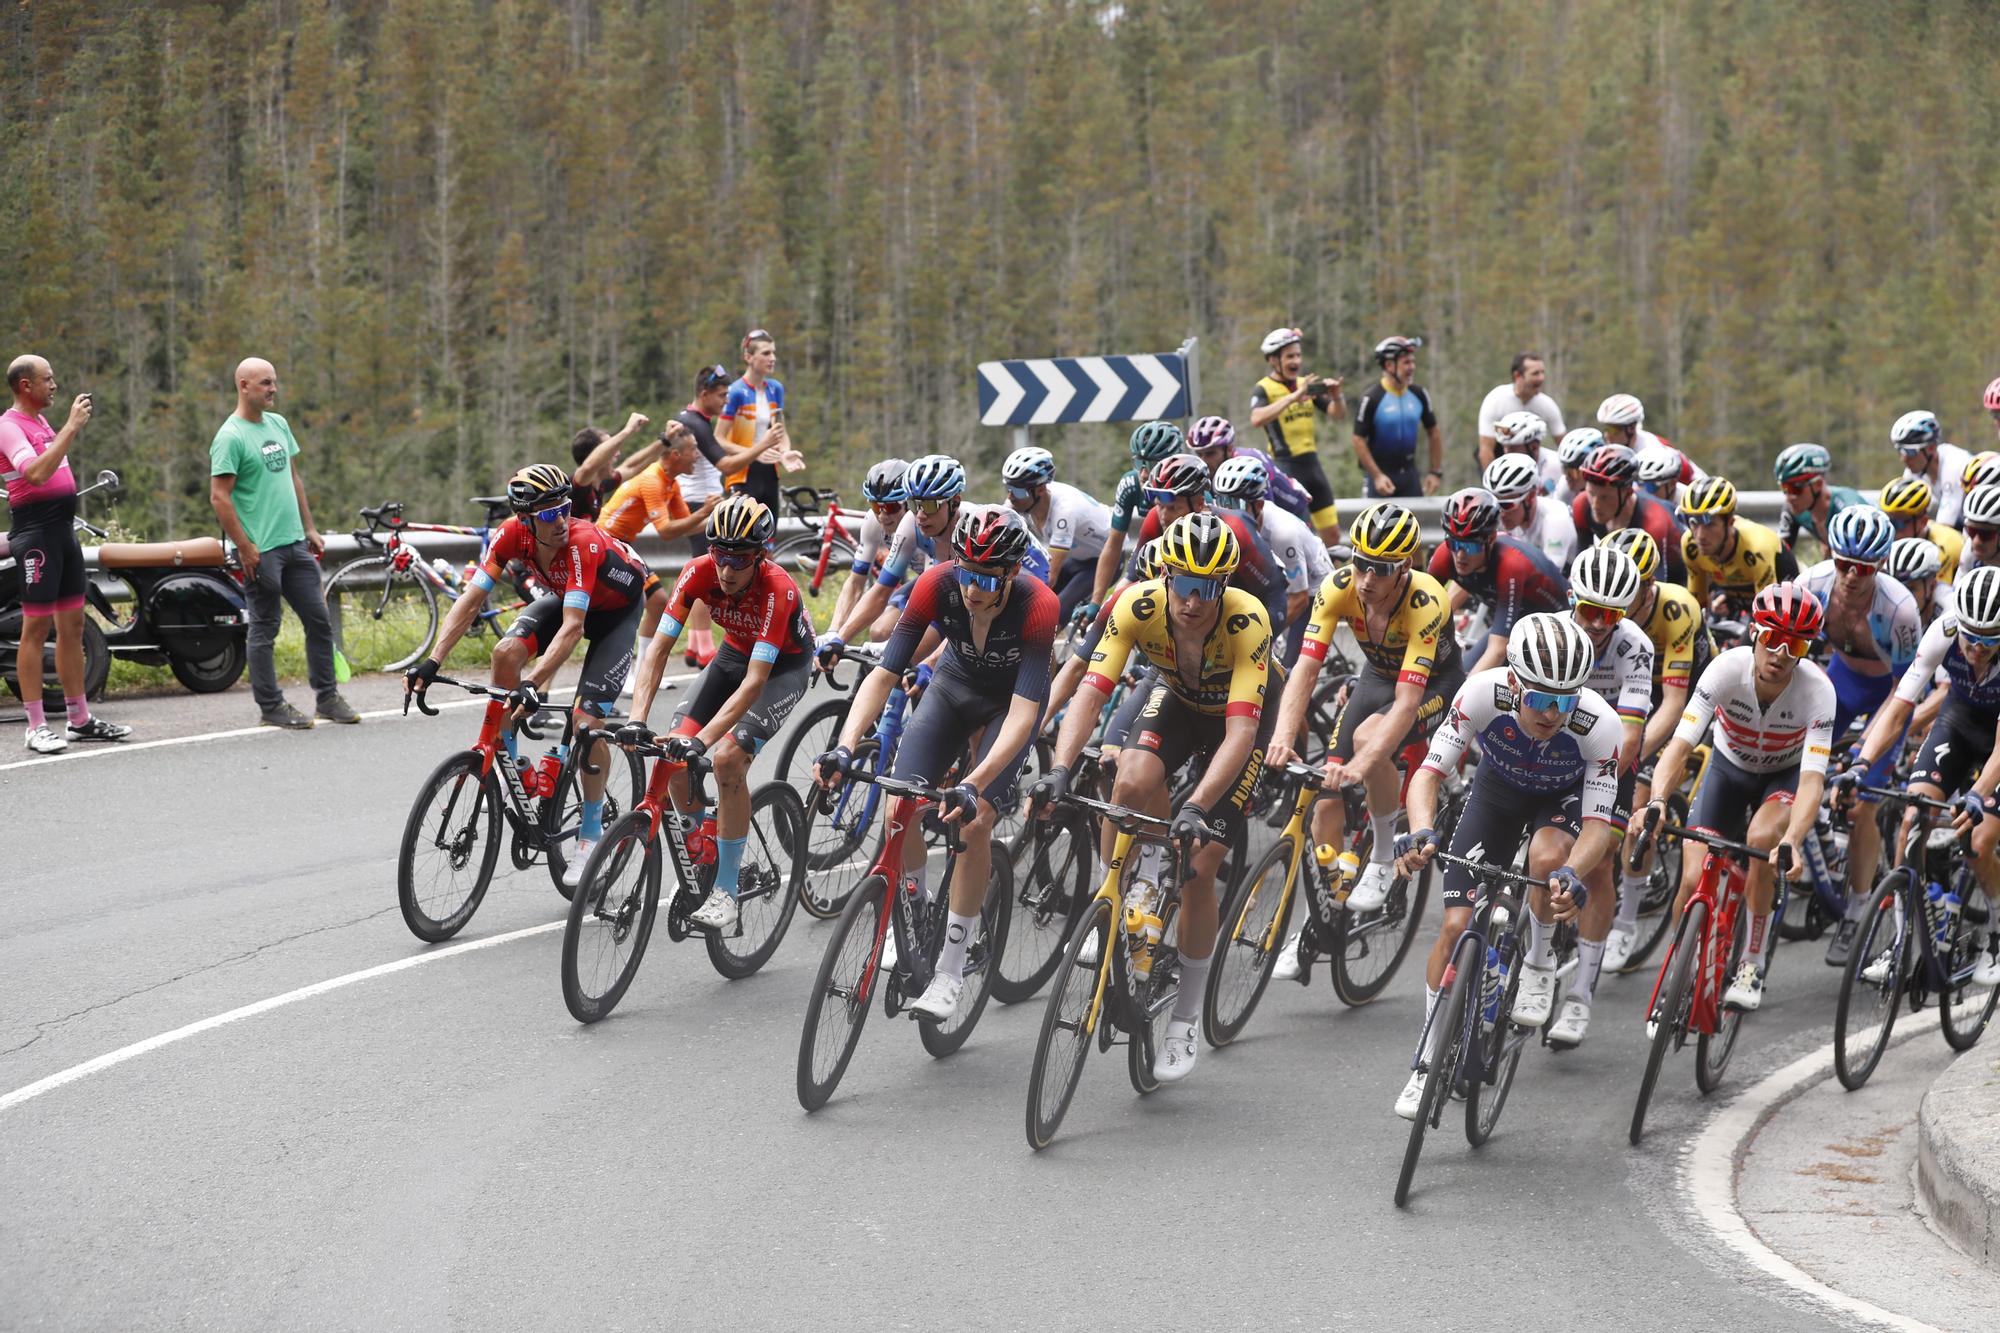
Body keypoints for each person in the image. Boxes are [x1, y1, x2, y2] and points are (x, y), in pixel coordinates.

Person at [1035, 512, 1277, 1085]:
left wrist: (1196, 807)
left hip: (1237, 725)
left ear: (1224, 587)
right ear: (1164, 574)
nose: (1193, 601)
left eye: (1207, 588)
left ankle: (1186, 1017)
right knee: (1128, 782)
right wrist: (1062, 768)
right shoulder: (1136, 605)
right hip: (1177, 701)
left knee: (1199, 865)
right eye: (1183, 584)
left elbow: (1241, 735)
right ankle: (1131, 888)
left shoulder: (1247, 621)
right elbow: (1091, 695)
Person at [815, 507, 1058, 1017]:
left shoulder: (1039, 605)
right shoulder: (936, 583)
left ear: (1012, 572)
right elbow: (884, 674)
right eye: (965, 572)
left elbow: (1023, 714)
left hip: (1009, 706)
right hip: (953, 688)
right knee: (897, 809)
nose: (971, 588)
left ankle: (950, 969)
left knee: (975, 822)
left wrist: (974, 783)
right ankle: (920, 911)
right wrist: (844, 743)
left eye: (986, 578)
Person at [1391, 614, 1622, 1117]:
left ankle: (1539, 965)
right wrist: (1423, 828)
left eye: (1564, 701)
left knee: (1547, 859)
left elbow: (1599, 827)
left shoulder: (1600, 724)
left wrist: (1572, 873)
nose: (1552, 714)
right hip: (1498, 792)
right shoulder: (1480, 694)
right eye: (1540, 699)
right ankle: (1426, 1063)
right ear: (1514, 681)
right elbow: (1429, 775)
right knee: (1453, 927)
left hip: (1562, 799)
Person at [408, 463, 651, 882]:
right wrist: (432, 661)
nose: (559, 521)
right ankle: (511, 762)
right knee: (505, 653)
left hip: (614, 616)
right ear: (524, 519)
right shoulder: (509, 536)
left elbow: (574, 628)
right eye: (546, 515)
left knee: (585, 723)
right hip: (570, 601)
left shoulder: (581, 543)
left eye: (564, 509)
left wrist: (533, 685)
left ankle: (591, 836)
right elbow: (470, 601)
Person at [1263, 504, 1462, 980]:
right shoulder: (1337, 588)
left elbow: (1409, 702)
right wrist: (1283, 738)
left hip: (1433, 684)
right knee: (1324, 806)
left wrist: (1364, 762)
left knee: (1368, 740)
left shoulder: (1427, 601)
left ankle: (1380, 853)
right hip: (1376, 675)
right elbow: (1306, 670)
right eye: (1360, 563)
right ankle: (1325, 915)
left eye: (1381, 569)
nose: (1366, 578)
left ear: (1405, 568)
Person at [1638, 583, 1836, 1013]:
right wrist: (1656, 801)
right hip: (1728, 770)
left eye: (1796, 643)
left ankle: (1751, 960)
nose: (1781, 653)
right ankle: (1679, 964)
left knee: (1763, 839)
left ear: (1807, 649)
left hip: (1781, 777)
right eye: (1771, 637)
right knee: (1691, 879)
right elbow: (1681, 744)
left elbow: (1812, 782)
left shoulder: (1818, 692)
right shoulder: (1725, 670)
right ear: (1754, 633)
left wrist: (1794, 839)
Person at [622, 494, 816, 927]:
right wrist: (637, 717)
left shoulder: (777, 590)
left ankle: (727, 889)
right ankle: (702, 854)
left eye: (739, 559)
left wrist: (704, 741)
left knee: (727, 760)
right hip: (732, 655)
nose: (727, 570)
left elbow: (755, 683)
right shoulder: (697, 572)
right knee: (672, 754)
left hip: (782, 668)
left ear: (761, 556)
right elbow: (658, 648)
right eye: (721, 556)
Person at [1801, 506, 1922, 965]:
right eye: (1844, 563)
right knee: (1792, 761)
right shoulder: (1813, 585)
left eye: (1864, 568)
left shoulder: (1900, 609)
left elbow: (1904, 691)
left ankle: (1857, 907)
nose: (1852, 576)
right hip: (1840, 681)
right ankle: (1818, 845)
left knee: (1863, 801)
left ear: (1881, 565)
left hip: (1888, 695)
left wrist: (1864, 750)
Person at [208, 357, 357, 730]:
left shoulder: (278, 424)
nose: (273, 389)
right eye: (265, 383)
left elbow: (293, 477)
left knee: (320, 621)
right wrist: (244, 546)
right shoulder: (230, 436)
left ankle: (327, 698)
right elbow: (219, 498)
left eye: (274, 382)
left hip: (294, 544)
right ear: (244, 386)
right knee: (264, 628)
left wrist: (309, 527)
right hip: (262, 550)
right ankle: (271, 705)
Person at [1870, 562, 2000, 987]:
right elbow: (1901, 706)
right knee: (1912, 818)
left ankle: (1998, 930)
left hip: (1997, 740)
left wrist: (1978, 794)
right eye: (1969, 637)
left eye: (1987, 641)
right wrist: (1861, 761)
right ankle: (1900, 942)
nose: (1975, 649)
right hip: (1960, 721)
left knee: (1977, 841)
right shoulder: (1946, 629)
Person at [1545, 547, 1654, 1046]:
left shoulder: (1635, 646)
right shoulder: (1549, 630)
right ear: (1572, 601)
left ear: (1623, 614)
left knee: (1604, 854)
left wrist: (1596, 783)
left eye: (1607, 615)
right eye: (1587, 609)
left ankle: (1581, 994)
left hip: (1608, 752)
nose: (1594, 623)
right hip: (1552, 738)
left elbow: (1629, 739)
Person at [1598, 527, 1715, 971]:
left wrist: (1631, 758)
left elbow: (1674, 704)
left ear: (1649, 587)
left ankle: (1625, 922)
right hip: (1635, 690)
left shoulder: (1676, 607)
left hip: (1685, 697)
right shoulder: (1603, 604)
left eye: (1631, 590)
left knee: (1639, 806)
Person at [3, 355, 127, 752]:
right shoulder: (8, 427)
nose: (54, 385)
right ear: (25, 386)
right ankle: (35, 726)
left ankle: (79, 719)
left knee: (72, 627)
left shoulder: (41, 422)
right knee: (36, 629)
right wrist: (72, 428)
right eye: (47, 379)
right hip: (36, 534)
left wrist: (63, 430)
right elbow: (35, 474)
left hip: (63, 533)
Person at [672, 363, 788, 665]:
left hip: (699, 499)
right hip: (698, 502)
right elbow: (725, 465)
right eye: (722, 395)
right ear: (704, 393)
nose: (726, 401)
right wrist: (760, 447)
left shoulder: (695, 420)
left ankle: (696, 646)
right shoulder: (694, 423)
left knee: (705, 569)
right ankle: (704, 647)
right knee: (706, 573)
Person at [597, 420, 722, 686]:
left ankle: (642, 672)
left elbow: (687, 527)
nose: (698, 455)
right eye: (693, 450)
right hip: (606, 544)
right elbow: (665, 530)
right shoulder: (653, 480)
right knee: (635, 605)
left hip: (623, 545)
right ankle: (625, 676)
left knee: (656, 602)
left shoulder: (671, 483)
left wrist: (718, 516)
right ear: (676, 455)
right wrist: (704, 511)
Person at [819, 454, 970, 661]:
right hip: (938, 581)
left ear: (953, 503)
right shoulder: (909, 522)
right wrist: (836, 635)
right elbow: (878, 589)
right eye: (875, 507)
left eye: (890, 507)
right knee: (881, 632)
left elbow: (950, 603)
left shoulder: (969, 526)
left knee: (916, 655)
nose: (882, 516)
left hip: (973, 588)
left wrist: (903, 647)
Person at [1429, 487, 1569, 673]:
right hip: (1518, 618)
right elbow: (1424, 608)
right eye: (1454, 543)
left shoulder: (1510, 565)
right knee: (1463, 672)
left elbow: (1498, 650)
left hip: (1557, 625)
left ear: (1491, 539)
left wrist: (1462, 697)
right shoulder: (1446, 556)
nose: (1460, 555)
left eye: (1470, 546)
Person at [1209, 453, 1331, 662]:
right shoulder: (1231, 523)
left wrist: (1263, 637)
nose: (1228, 511)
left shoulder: (1282, 532)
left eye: (1234, 503)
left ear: (1258, 504)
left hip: (1311, 590)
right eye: (1222, 501)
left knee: (1290, 672)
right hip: (1281, 576)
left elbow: (1298, 598)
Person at [1248, 328, 1346, 541]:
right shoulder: (1263, 388)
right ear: (1274, 360)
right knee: (1297, 535)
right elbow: (1256, 419)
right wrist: (1293, 398)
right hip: (1285, 467)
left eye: (1298, 355)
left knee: (1332, 534)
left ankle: (1330, 574)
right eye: (1290, 356)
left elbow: (1337, 414)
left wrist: (1337, 397)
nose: (1296, 361)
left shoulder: (1305, 385)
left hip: (1312, 466)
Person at [1002, 445, 1111, 621]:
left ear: (1040, 490)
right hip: (1077, 559)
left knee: (1052, 614)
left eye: (1017, 491)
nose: (1010, 497)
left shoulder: (1065, 510)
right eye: (1008, 488)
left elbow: (1049, 577)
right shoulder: (1021, 500)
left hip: (1104, 560)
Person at [1091, 420, 1184, 609]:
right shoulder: (1130, 484)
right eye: (1139, 462)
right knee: (1118, 602)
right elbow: (1114, 543)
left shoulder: (1190, 488)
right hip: (1152, 541)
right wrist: (1096, 603)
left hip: (1186, 544)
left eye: (1151, 464)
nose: (1143, 473)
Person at [1678, 476, 1797, 618]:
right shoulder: (1690, 544)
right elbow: (1696, 607)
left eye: (1709, 524)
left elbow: (1766, 616)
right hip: (1735, 591)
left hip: (1778, 592)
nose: (1700, 535)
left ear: (1730, 522)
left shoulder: (1757, 548)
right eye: (1693, 522)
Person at [1569, 443, 1687, 584]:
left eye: (1605, 497)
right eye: (1591, 493)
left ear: (1628, 492)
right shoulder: (1581, 505)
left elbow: (1653, 588)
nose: (1595, 504)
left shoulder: (1653, 523)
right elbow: (1579, 571)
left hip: (1680, 574)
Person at [1186, 414, 1319, 533]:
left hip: (1293, 511)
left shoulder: (1251, 464)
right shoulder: (1210, 471)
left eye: (1210, 453)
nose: (1203, 460)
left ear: (1229, 449)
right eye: (1199, 454)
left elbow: (1264, 518)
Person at [720, 328, 803, 513]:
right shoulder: (735, 392)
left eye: (773, 352)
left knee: (768, 534)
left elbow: (780, 431)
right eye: (766, 353)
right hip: (742, 472)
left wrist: (785, 453)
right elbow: (719, 439)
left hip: (769, 472)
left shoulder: (775, 389)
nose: (772, 357)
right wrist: (754, 453)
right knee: (742, 536)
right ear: (749, 357)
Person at [1351, 336, 1442, 500]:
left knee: (1414, 526)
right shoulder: (1372, 398)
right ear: (1389, 365)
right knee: (1377, 526)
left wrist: (1435, 471)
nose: (1412, 367)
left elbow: (1433, 432)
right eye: (1406, 363)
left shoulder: (1419, 394)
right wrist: (1377, 475)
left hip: (1409, 476)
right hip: (1380, 478)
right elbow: (1358, 440)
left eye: (1413, 362)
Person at [1773, 442, 1863, 563]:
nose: (1789, 497)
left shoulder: (1848, 509)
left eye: (1795, 489)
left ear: (1818, 484)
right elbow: (1779, 554)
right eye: (1784, 488)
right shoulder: (1792, 507)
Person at [1484, 452, 1577, 569]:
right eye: (1496, 505)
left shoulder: (1555, 520)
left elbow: (1550, 579)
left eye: (1507, 505)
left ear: (1530, 497)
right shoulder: (1511, 517)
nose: (1501, 513)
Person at [567, 411, 663, 523]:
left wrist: (664, 442)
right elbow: (588, 467)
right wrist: (627, 430)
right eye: (611, 450)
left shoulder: (601, 484)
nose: (617, 453)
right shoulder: (576, 486)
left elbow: (631, 467)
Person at [1477, 354, 1566, 469]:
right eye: (1535, 373)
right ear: (1517, 376)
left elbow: (1564, 445)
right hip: (1499, 457)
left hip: (1531, 459)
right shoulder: (1496, 400)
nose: (1541, 378)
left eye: (1542, 372)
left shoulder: (1547, 404)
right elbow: (1486, 450)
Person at [1880, 477, 1963, 585]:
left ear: (1923, 522)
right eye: (1887, 521)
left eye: (1898, 523)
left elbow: (1931, 597)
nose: (1891, 529)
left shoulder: (1946, 546)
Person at [1892, 410, 1969, 528]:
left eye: (1909, 452)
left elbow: (1945, 527)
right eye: (1900, 451)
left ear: (1931, 448)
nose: (1904, 458)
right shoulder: (1913, 471)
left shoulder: (1954, 465)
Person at [1490, 409, 1566, 499]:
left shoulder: (1558, 466)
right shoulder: (1500, 470)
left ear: (1534, 447)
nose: (1506, 453)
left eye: (1513, 448)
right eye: (1504, 447)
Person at [1552, 427, 1603, 509]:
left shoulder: (1606, 492)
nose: (1567, 478)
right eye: (1565, 470)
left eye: (1573, 472)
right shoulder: (1563, 487)